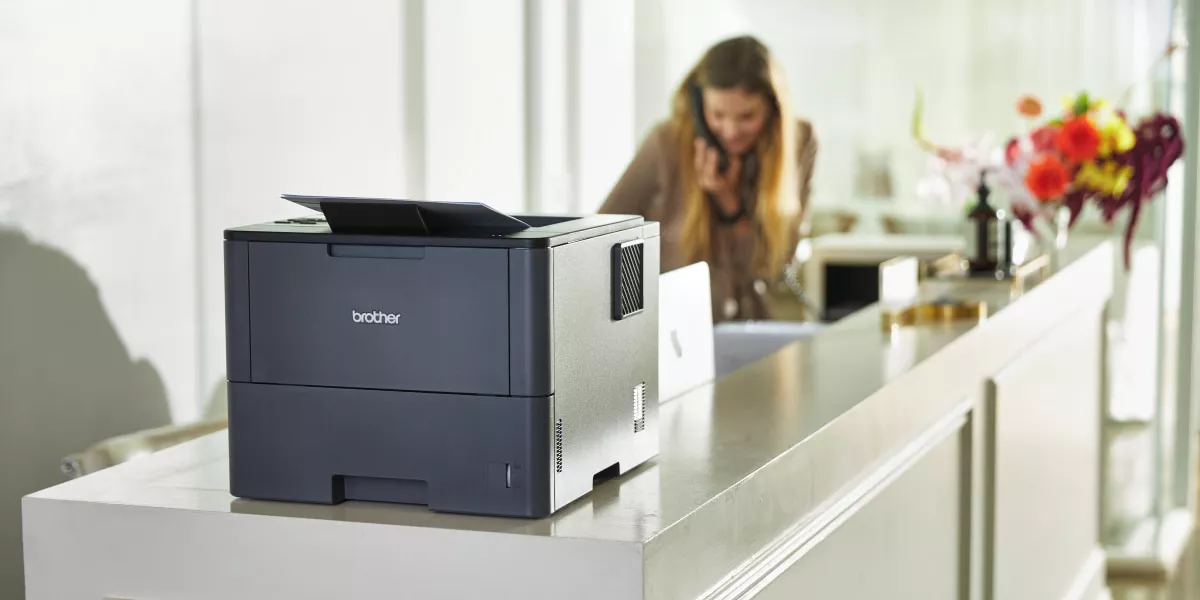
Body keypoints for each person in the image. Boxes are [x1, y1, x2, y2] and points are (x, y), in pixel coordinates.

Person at [599, 35, 817, 323]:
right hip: (674, 326)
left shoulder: (799, 143)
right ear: (698, 103)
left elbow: (775, 267)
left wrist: (729, 202)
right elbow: (601, 235)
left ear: (773, 109)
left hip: (750, 327)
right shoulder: (666, 143)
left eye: (747, 116)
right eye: (717, 114)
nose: (730, 130)